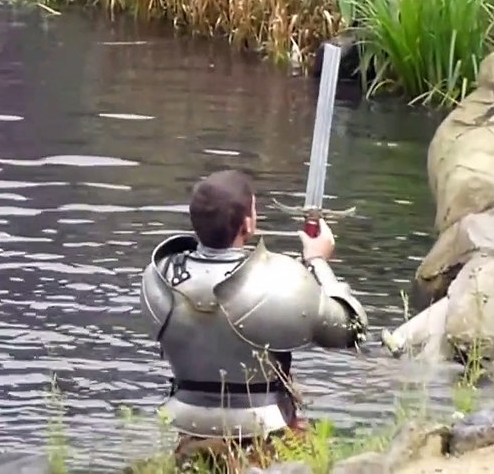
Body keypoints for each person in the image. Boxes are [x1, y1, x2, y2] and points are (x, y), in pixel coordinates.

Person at [139, 169, 369, 471]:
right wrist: (317, 261)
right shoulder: (276, 277)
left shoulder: (159, 275)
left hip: (189, 419)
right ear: (248, 223)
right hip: (265, 428)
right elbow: (351, 329)